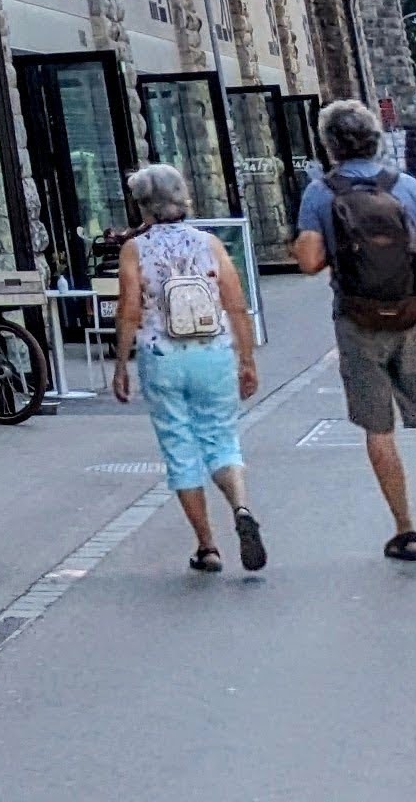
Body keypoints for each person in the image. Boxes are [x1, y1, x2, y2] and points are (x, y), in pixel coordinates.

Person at [292, 98, 416, 567]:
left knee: (378, 428)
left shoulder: (320, 194)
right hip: (413, 316)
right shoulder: (405, 187)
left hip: (357, 320)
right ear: (376, 140)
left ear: (330, 145)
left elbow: (309, 261)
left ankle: (406, 530)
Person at [108, 163, 262, 573]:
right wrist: (247, 359)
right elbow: (235, 304)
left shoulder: (134, 250)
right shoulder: (209, 244)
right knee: (222, 439)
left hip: (162, 357)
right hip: (212, 353)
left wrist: (121, 364)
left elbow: (129, 310)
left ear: (143, 205)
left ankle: (207, 546)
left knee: (179, 448)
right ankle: (241, 506)